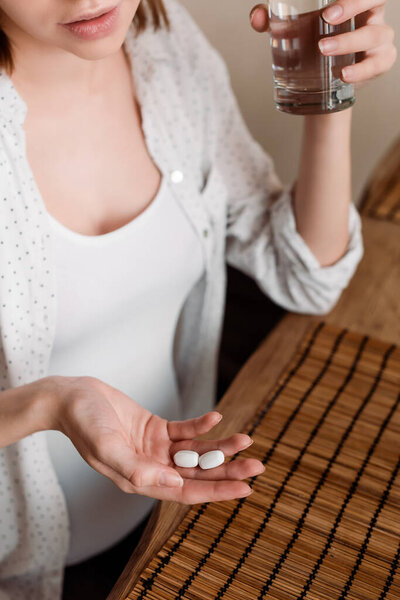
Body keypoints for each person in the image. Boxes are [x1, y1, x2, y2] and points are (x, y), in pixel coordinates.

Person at [0, 0, 395, 598]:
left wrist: (329, 90)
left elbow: (306, 276)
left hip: (169, 521)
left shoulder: (166, 47)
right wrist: (50, 403)